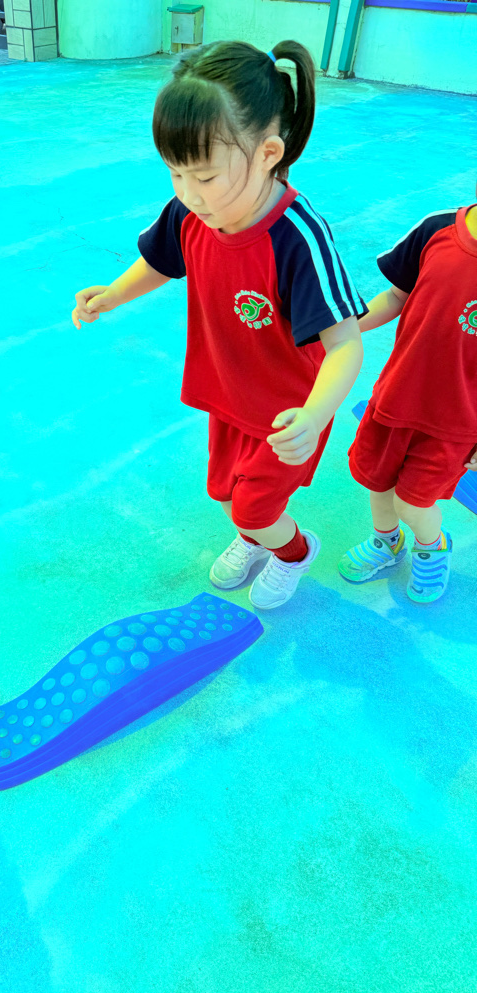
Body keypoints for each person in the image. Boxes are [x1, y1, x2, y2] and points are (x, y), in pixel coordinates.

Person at [72, 40, 367, 610]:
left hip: (287, 411)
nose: (189, 193)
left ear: (268, 153)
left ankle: (293, 551)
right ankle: (256, 535)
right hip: (228, 394)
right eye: (175, 173)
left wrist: (315, 415)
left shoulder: (298, 237)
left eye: (205, 176)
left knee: (254, 507)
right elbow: (161, 261)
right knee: (228, 495)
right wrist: (111, 295)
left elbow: (345, 344)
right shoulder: (189, 213)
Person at [338, 188, 477, 602]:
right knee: (377, 482)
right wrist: (343, 326)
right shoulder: (438, 228)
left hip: (456, 423)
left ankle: (432, 546)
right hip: (396, 398)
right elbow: (396, 296)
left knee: (413, 502)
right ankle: (387, 542)